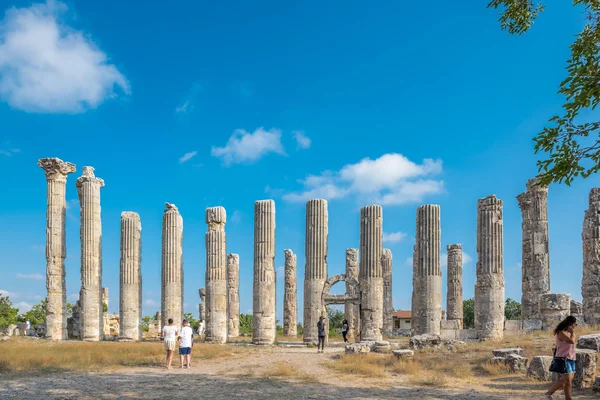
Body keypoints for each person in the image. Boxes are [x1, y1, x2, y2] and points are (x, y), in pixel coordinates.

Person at [546, 315, 578, 400]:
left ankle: (568, 398)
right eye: (575, 324)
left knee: (569, 381)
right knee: (564, 379)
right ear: (571, 324)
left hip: (571, 358)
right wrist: (572, 333)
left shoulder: (568, 333)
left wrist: (571, 333)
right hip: (564, 358)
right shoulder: (561, 332)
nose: (575, 326)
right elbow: (572, 341)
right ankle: (548, 393)